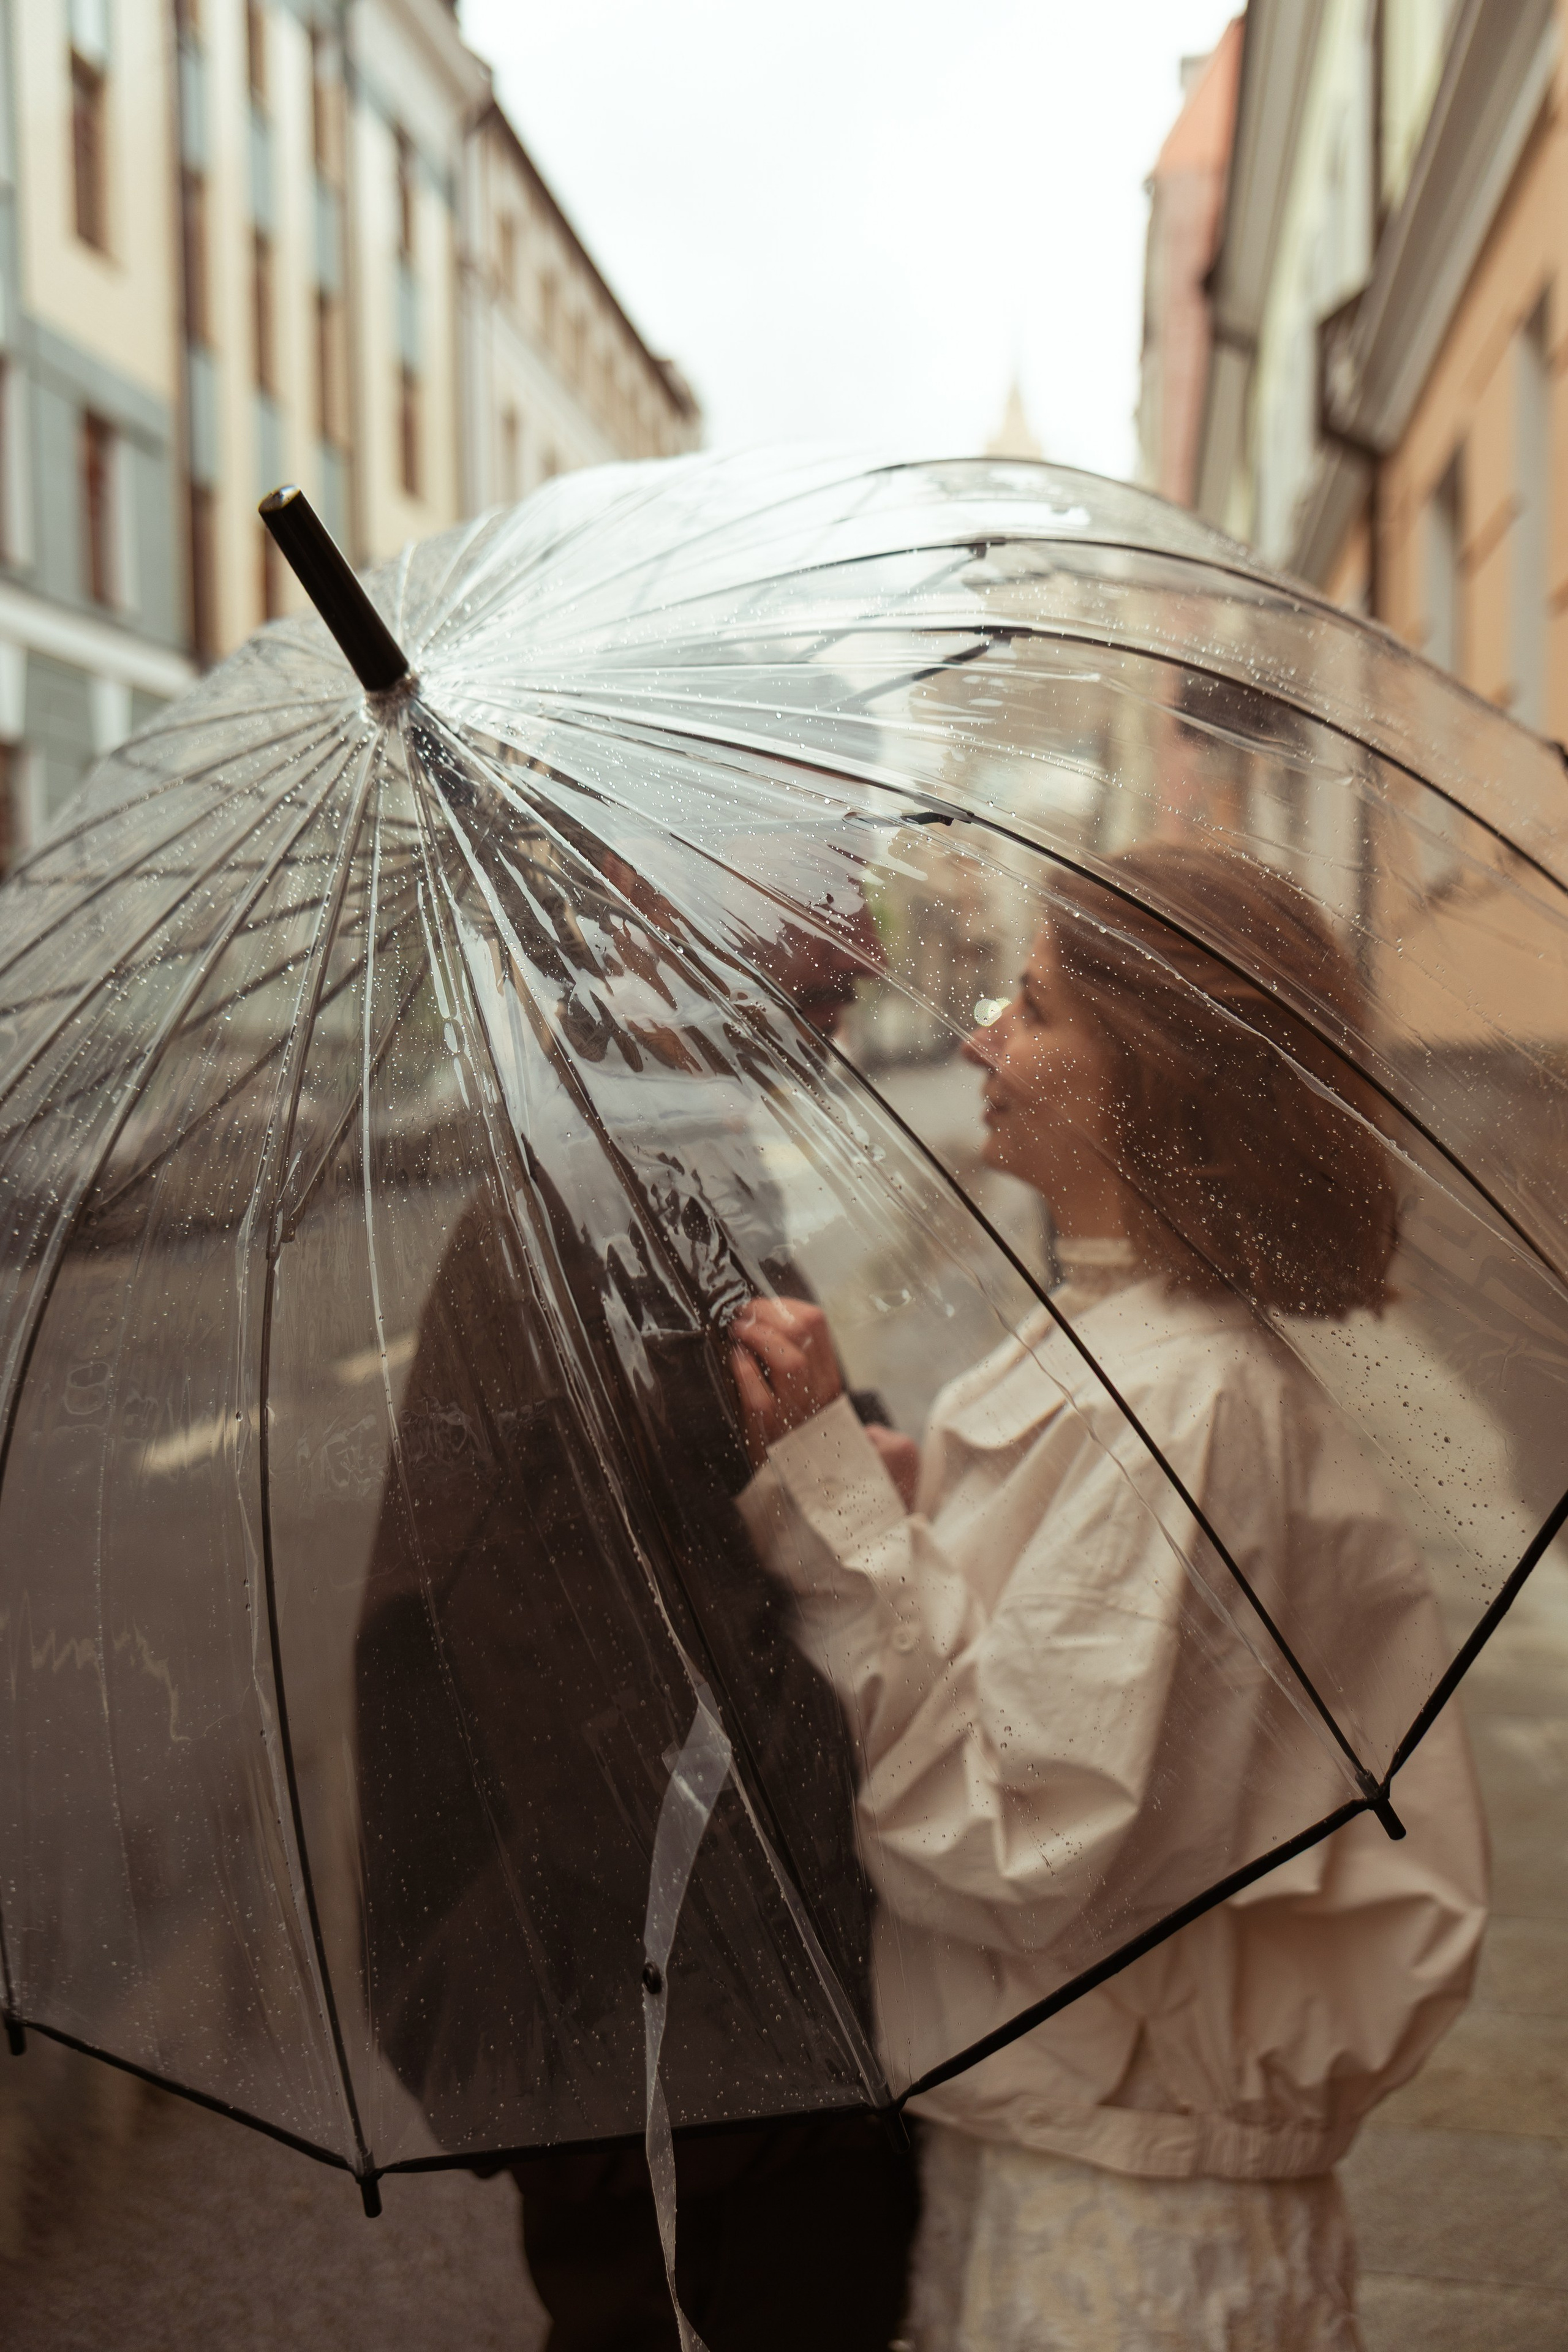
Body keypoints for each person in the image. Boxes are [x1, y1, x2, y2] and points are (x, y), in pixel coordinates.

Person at [729, 843, 1488, 2352]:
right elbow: (1083, 1653)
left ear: (1155, 1075)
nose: (979, 1038)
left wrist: (832, 1507)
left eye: (1039, 1006)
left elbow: (1014, 1833)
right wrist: (916, 1501)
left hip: (1120, 2240)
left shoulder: (1184, 1403)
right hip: (1080, 2158)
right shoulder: (1127, 1338)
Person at [353, 821, 918, 2352]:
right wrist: (832, 1938)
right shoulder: (572, 1224)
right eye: (809, 947)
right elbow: (580, 1692)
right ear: (669, 934)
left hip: (732, 2033)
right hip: (693, 2049)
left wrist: (845, 1455)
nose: (856, 966)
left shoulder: (687, 1177)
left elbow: (734, 1508)